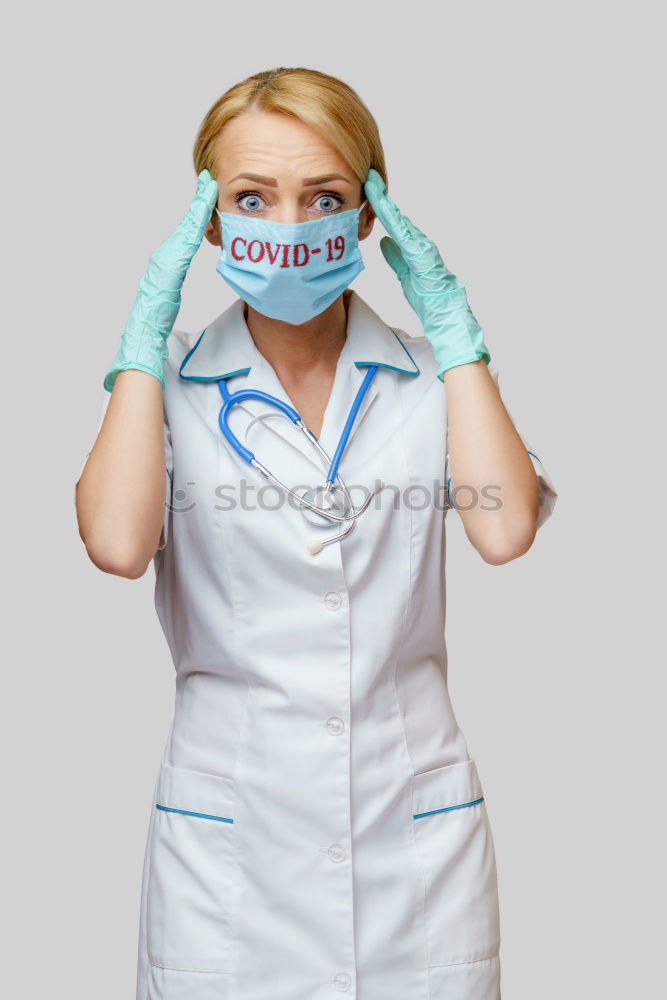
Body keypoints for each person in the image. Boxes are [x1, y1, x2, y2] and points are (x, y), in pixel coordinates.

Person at [75, 66, 558, 1000]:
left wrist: (458, 338)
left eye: (324, 197)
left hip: (409, 837)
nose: (288, 228)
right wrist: (142, 344)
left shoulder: (431, 378)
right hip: (229, 846)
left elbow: (503, 534)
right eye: (251, 198)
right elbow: (117, 544)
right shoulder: (167, 385)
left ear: (369, 217)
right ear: (208, 221)